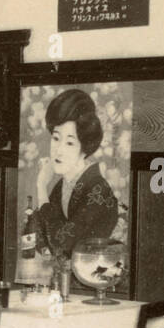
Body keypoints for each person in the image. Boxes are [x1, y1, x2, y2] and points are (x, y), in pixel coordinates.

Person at [27, 88, 120, 258]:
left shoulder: (98, 190)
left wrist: (41, 187)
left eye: (69, 143)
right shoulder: (62, 186)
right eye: (56, 138)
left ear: (85, 148)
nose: (58, 150)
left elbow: (62, 242)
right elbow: (35, 229)